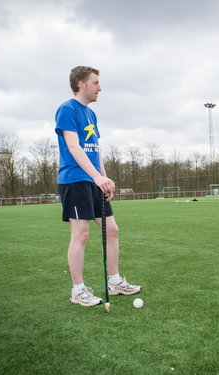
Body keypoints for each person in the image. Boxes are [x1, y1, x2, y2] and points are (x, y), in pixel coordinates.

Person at [55, 66, 141, 306]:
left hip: (93, 180)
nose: (100, 88)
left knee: (112, 230)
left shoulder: (92, 115)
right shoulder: (66, 110)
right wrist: (96, 177)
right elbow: (74, 147)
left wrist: (105, 178)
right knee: (81, 235)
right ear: (81, 83)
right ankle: (78, 290)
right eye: (96, 83)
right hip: (74, 180)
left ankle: (114, 282)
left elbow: (95, 150)